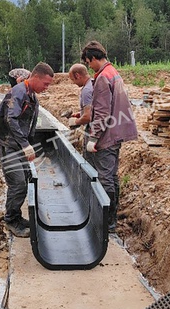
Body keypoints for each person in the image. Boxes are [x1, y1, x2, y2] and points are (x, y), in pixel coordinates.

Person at [0, 62, 54, 237]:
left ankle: (16, 215)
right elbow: (11, 119)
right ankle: (11, 220)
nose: (46, 88)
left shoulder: (31, 95)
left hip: (17, 143)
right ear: (36, 77)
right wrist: (25, 145)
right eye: (45, 84)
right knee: (18, 183)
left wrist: (29, 144)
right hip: (8, 143)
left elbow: (28, 123)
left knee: (23, 180)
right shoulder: (19, 92)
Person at [81, 41, 138, 232]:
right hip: (117, 132)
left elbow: (103, 112)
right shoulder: (113, 72)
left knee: (105, 178)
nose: (89, 66)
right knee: (112, 176)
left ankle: (106, 221)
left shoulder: (103, 77)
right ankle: (111, 218)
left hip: (107, 135)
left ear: (94, 58)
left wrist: (94, 138)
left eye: (89, 62)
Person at [67, 63, 94, 160]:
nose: (73, 82)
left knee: (90, 164)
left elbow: (88, 116)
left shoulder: (87, 90)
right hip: (100, 131)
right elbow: (93, 110)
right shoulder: (93, 84)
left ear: (78, 75)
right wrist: (80, 115)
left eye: (73, 79)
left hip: (93, 132)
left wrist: (75, 122)